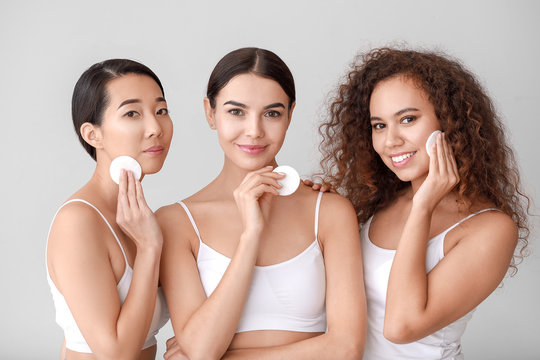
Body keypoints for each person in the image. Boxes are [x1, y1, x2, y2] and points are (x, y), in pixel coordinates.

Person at [317, 47, 530, 359]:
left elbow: (401, 326)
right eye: (379, 125)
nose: (390, 141)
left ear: (449, 121)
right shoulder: (378, 203)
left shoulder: (491, 229)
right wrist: (318, 210)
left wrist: (423, 206)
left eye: (407, 119)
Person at [158, 47, 366, 360]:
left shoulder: (330, 212)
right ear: (210, 113)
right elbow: (201, 349)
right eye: (236, 112)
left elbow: (347, 347)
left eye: (272, 113)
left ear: (290, 115)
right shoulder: (176, 222)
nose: (254, 131)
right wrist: (250, 235)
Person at [46, 59, 172, 360]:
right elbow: (116, 353)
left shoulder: (140, 218)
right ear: (93, 135)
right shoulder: (78, 222)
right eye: (132, 113)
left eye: (161, 110)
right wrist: (150, 248)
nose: (155, 128)